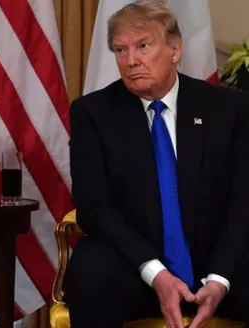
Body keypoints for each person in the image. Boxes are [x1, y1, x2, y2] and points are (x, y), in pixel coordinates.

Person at [65, 1, 249, 327]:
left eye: (143, 46)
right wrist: (157, 274)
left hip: (218, 260)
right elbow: (93, 207)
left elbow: (243, 201)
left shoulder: (229, 109)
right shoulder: (93, 113)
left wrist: (219, 279)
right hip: (135, 264)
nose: (131, 60)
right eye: (120, 50)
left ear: (175, 50)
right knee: (90, 272)